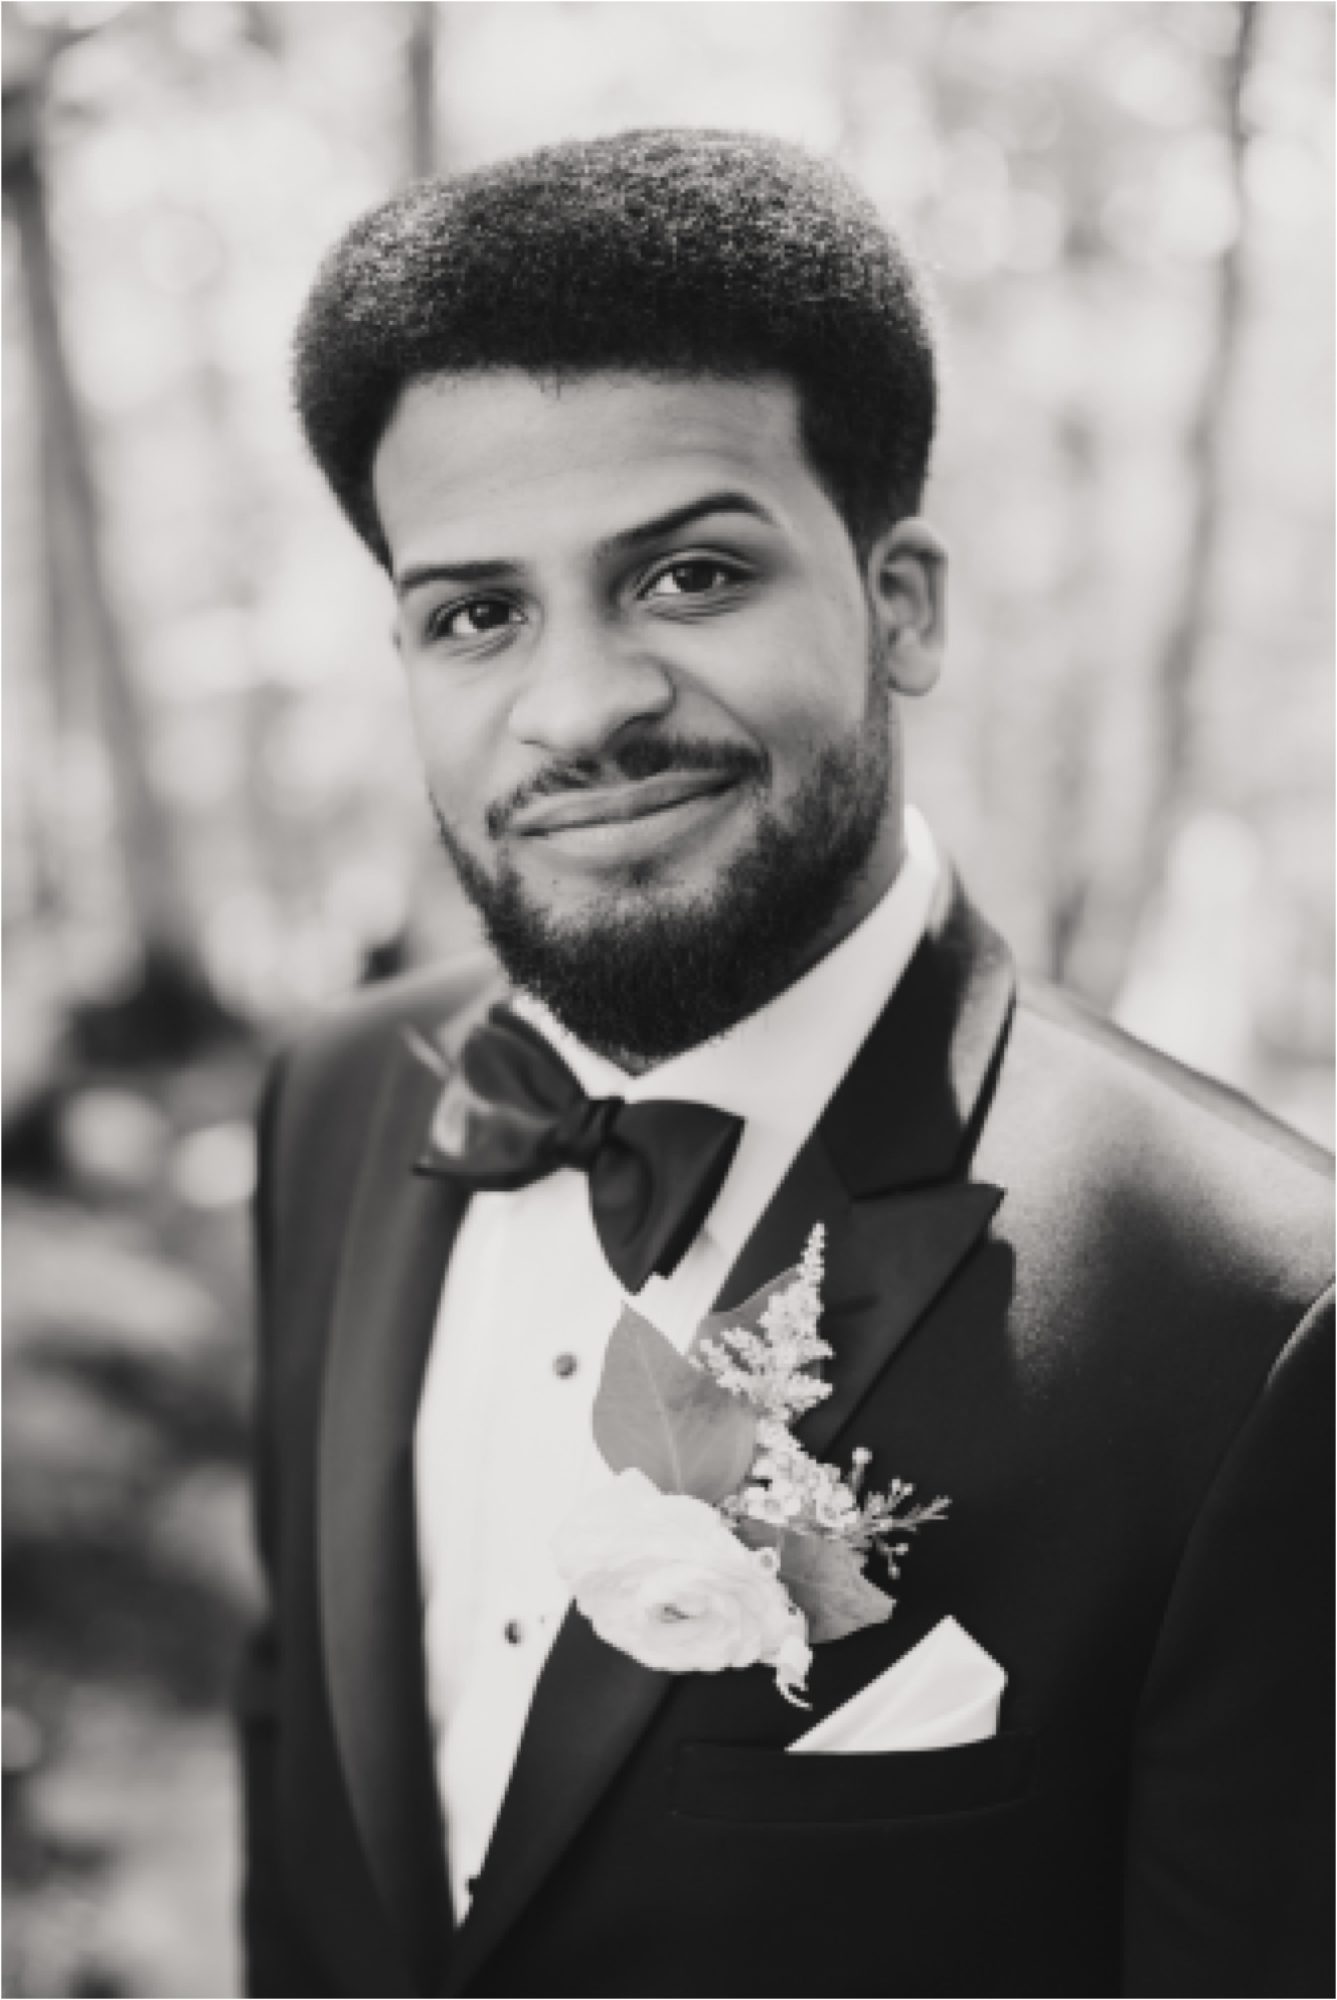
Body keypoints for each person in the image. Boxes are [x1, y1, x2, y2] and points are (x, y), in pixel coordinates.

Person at [238, 130, 1331, 2000]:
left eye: (684, 576)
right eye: (476, 612)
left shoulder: (1254, 1314)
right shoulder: (332, 1098)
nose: (578, 708)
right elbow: (310, 1788)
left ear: (897, 602)